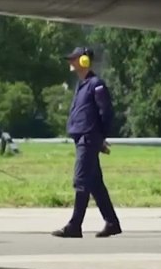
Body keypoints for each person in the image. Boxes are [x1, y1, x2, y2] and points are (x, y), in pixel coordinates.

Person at [52, 46, 121, 239]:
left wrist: (101, 138)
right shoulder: (82, 85)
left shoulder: (96, 84)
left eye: (74, 59)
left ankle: (75, 225)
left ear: (84, 61)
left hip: (88, 138)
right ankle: (112, 222)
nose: (70, 62)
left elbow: (106, 112)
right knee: (95, 183)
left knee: (81, 181)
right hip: (84, 138)